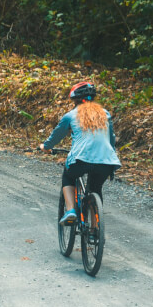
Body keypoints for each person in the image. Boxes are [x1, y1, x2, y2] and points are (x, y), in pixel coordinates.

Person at [39, 82, 121, 225]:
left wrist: (45, 146)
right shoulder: (105, 114)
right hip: (106, 161)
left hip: (80, 160)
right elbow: (111, 139)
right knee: (95, 188)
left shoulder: (71, 115)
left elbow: (56, 136)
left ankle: (70, 211)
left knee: (68, 176)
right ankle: (94, 230)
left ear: (75, 100)